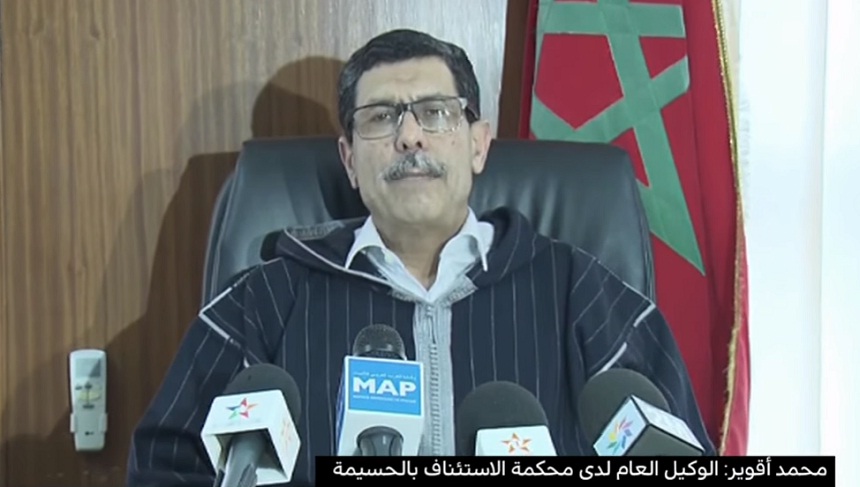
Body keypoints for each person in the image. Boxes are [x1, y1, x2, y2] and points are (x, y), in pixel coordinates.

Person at [126, 28, 715, 486]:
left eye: (435, 112)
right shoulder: (265, 300)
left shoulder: (581, 293)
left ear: (478, 144)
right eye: (381, 118)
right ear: (350, 159)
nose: (409, 137)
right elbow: (164, 467)